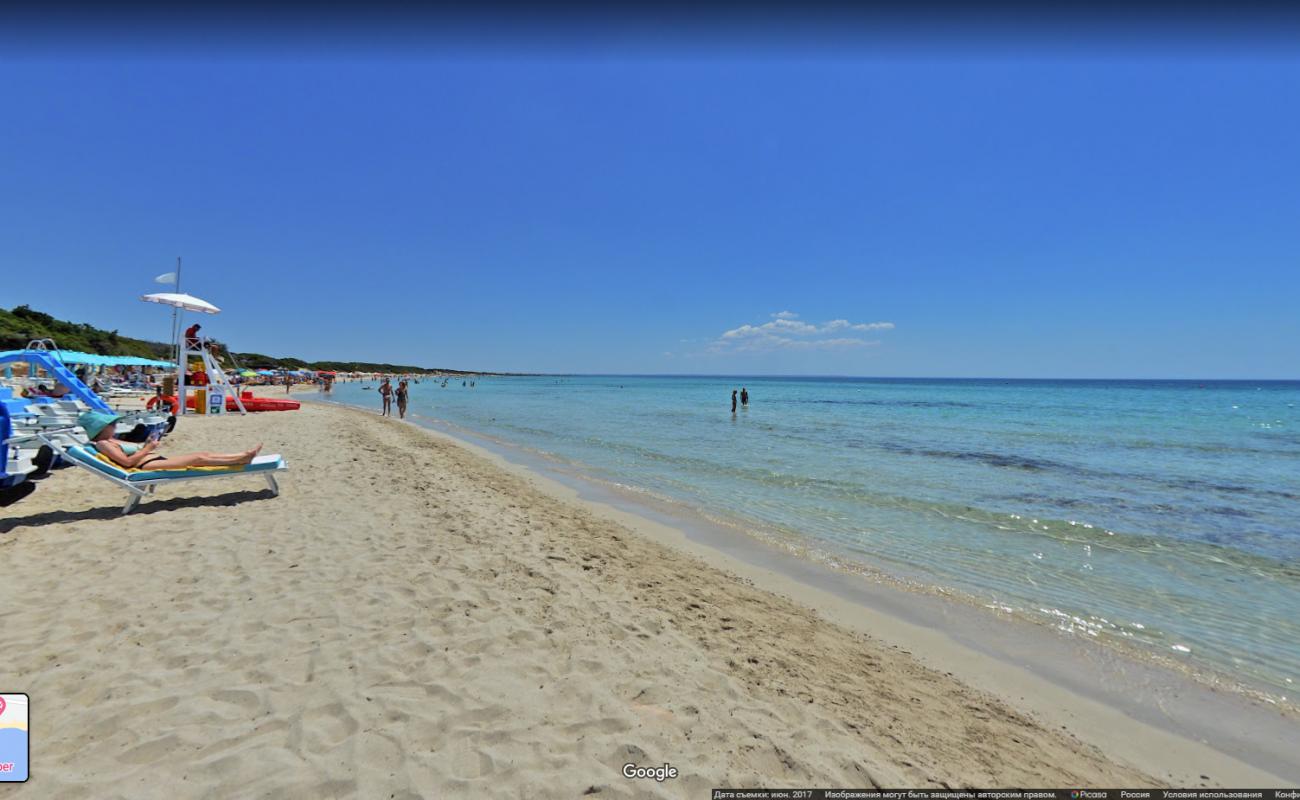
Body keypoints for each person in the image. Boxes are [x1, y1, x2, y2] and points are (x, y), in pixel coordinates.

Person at [79, 410, 261, 470]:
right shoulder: (103, 444)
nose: (115, 426)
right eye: (112, 424)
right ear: (102, 428)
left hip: (151, 459)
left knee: (202, 454)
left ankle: (241, 456)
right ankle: (242, 459)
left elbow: (137, 449)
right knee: (198, 460)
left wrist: (149, 442)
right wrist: (148, 448)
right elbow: (126, 462)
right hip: (145, 466)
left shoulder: (112, 440)